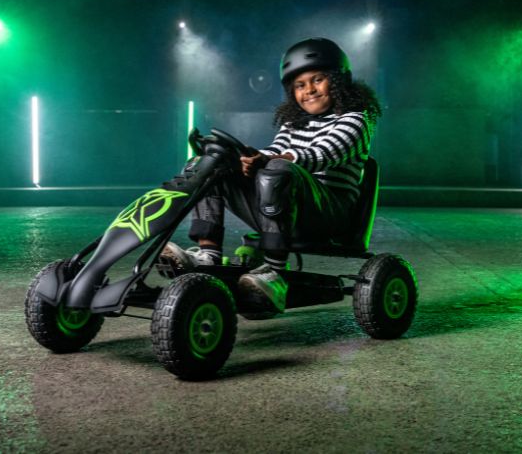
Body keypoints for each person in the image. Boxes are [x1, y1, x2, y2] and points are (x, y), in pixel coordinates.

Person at [161, 37, 382, 314]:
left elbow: (321, 154)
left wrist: (270, 160)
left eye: (318, 80)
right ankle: (208, 254)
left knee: (278, 170)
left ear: (337, 81)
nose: (309, 90)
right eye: (300, 85)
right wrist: (245, 159)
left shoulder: (356, 119)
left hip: (328, 214)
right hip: (286, 204)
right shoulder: (293, 123)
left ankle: (275, 273)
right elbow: (275, 150)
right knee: (211, 165)